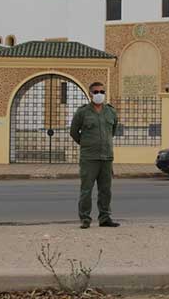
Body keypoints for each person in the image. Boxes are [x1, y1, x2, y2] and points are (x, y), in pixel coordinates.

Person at [70, 82, 120, 229]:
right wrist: (86, 144)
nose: (99, 94)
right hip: (89, 158)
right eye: (96, 92)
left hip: (106, 157)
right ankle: (85, 219)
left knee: (105, 190)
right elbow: (74, 132)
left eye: (102, 91)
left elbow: (113, 131)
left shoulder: (111, 111)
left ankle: (105, 218)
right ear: (90, 94)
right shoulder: (83, 112)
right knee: (86, 190)